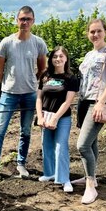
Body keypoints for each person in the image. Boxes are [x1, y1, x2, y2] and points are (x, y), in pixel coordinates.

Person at [0, 6, 48, 179]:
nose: (25, 22)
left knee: (25, 131)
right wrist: (8, 84)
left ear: (33, 21)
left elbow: (42, 68)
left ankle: (21, 164)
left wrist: (31, 81)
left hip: (30, 94)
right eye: (22, 19)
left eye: (28, 19)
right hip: (8, 94)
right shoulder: (6, 43)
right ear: (16, 20)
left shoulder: (38, 43)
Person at [72, 18, 106, 204]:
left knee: (82, 145)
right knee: (91, 143)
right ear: (88, 34)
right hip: (84, 102)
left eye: (99, 31)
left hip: (98, 103)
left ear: (105, 32)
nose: (95, 35)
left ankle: (91, 187)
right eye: (92, 32)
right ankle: (89, 176)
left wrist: (101, 103)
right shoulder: (88, 55)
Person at [36, 46, 79, 192]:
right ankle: (49, 173)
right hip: (46, 116)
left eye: (61, 56)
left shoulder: (71, 79)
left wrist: (55, 118)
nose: (58, 59)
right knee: (46, 145)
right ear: (51, 59)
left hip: (62, 118)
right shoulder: (45, 76)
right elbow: (39, 98)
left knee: (61, 147)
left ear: (66, 59)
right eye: (55, 56)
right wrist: (40, 117)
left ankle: (64, 179)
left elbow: (68, 102)